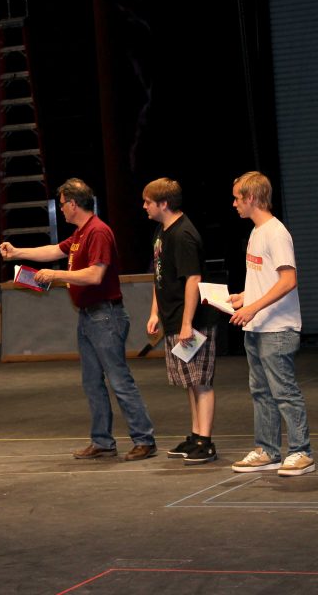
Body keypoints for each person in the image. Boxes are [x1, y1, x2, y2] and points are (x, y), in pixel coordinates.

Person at [0, 177, 157, 461]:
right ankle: (102, 442)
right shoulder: (81, 234)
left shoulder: (98, 232)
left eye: (62, 204)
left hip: (105, 315)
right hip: (89, 317)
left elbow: (95, 275)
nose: (61, 209)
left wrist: (57, 275)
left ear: (73, 204)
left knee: (119, 380)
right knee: (92, 382)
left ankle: (144, 439)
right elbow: (54, 251)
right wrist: (17, 253)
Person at [228, 171, 315, 476]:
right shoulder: (256, 232)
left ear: (251, 198)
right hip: (257, 326)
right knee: (261, 392)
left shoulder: (276, 232)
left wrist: (252, 307)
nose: (235, 203)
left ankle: (301, 452)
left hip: (277, 329)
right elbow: (265, 279)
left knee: (284, 391)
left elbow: (288, 280)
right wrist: (244, 297)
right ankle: (267, 449)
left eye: (238, 197)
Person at [142, 178, 220, 464]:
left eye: (148, 202)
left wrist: (188, 323)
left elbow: (193, 279)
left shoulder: (184, 234)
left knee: (201, 381)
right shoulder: (161, 232)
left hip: (195, 319)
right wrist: (155, 312)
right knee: (189, 381)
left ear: (163, 203)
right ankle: (195, 434)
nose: (144, 207)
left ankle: (206, 441)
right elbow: (159, 275)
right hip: (173, 317)